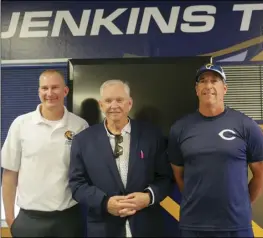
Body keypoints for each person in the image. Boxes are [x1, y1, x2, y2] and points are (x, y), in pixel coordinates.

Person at [168, 64, 263, 238]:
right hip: (194, 224)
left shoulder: (246, 125)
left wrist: (241, 204)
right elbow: (179, 175)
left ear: (224, 88)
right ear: (197, 89)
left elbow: (260, 173)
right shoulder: (180, 128)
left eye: (214, 81)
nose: (208, 86)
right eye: (203, 81)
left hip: (236, 225)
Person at [68, 79, 173, 237]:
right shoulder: (82, 141)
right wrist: (105, 203)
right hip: (103, 228)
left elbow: (165, 178)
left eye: (120, 100)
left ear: (129, 103)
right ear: (101, 104)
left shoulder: (152, 136)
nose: (114, 105)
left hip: (147, 226)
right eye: (108, 101)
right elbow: (77, 184)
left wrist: (148, 197)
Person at [1, 69, 89, 237]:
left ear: (65, 91)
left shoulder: (80, 126)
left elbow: (85, 174)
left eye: (55, 87)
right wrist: (11, 219)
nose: (50, 93)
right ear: (39, 91)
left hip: (69, 219)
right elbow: (9, 175)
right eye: (44, 88)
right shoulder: (21, 124)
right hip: (29, 219)